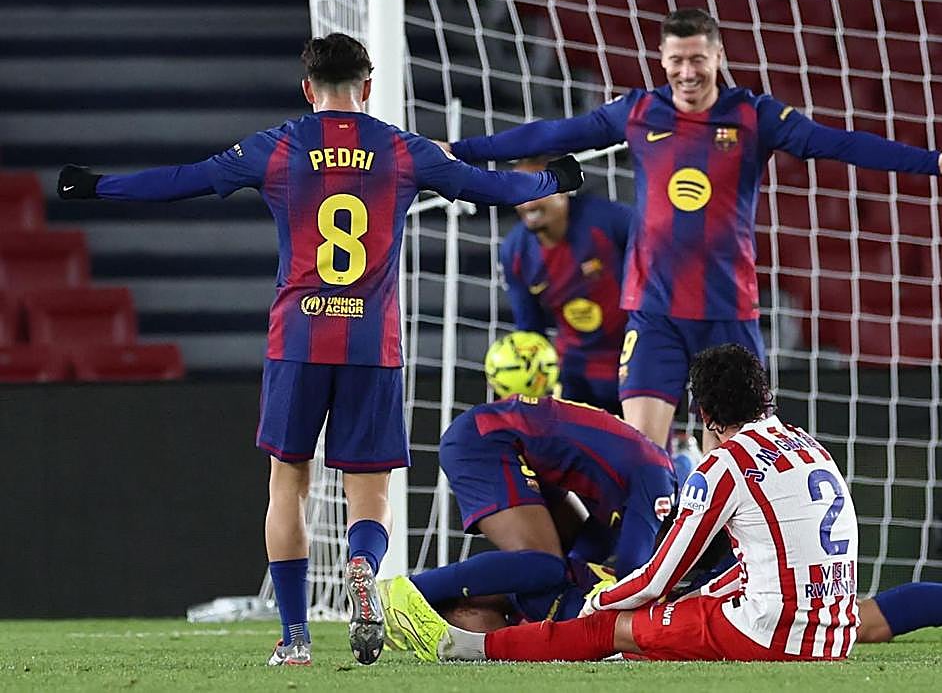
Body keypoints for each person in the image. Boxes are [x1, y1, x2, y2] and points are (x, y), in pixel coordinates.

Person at [54, 33, 585, 668]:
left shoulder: (276, 146)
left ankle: (296, 638)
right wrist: (557, 177)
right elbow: (490, 188)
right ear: (368, 86)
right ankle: (363, 565)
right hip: (371, 343)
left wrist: (95, 187)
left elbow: (180, 181)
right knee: (370, 491)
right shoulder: (404, 149)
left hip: (298, 340)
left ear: (309, 89)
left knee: (289, 485)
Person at [446, 8, 942, 448]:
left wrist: (932, 162)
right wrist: (464, 152)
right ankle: (652, 581)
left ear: (719, 57)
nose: (687, 72)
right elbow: (549, 135)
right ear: (661, 59)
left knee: (737, 463)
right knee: (642, 455)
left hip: (727, 315)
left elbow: (840, 143)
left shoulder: (754, 115)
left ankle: (732, 579)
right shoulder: (638, 112)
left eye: (698, 59)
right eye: (676, 60)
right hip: (656, 314)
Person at [387, 345, 942, 663]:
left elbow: (659, 579)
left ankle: (471, 647)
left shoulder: (720, 464)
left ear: (706, 412)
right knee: (866, 617)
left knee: (619, 631)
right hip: (826, 623)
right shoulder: (807, 443)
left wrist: (605, 600)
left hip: (766, 632)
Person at [392, 392, 677, 628]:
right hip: (489, 439)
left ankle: (468, 607)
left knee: (556, 568)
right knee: (546, 565)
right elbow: (633, 576)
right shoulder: (657, 484)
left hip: (507, 440)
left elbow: (588, 553)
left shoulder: (640, 488)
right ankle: (402, 595)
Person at [500, 156, 633, 413]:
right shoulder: (515, 251)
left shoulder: (608, 220)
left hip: (632, 362)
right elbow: (529, 329)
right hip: (574, 370)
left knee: (646, 451)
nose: (527, 202)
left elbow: (656, 268)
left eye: (535, 190)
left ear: (563, 192)